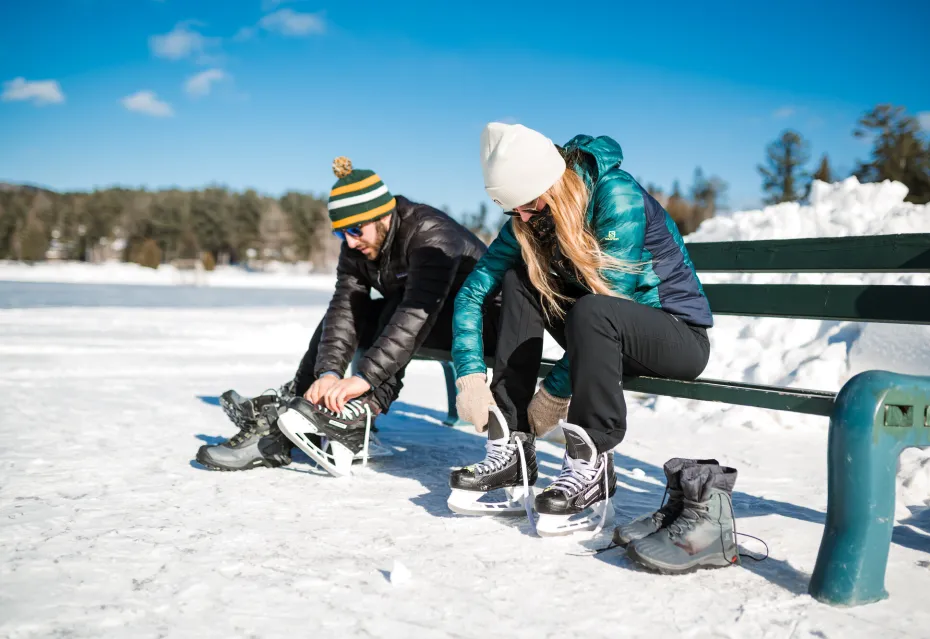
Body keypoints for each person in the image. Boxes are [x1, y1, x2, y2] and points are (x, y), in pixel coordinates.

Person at [448, 123, 714, 536]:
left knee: (593, 310)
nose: (523, 218)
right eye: (512, 209)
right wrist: (467, 376)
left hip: (675, 336)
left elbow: (614, 300)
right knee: (519, 281)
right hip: (602, 332)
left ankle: (591, 465)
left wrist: (554, 392)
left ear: (552, 185)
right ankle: (514, 446)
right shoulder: (529, 216)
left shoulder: (615, 194)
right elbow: (471, 295)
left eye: (531, 205)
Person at [197, 156, 493, 474]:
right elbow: (343, 309)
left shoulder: (430, 234)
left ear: (383, 215)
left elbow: (415, 312)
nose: (350, 242)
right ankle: (295, 408)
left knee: (395, 309)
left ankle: (359, 415)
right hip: (422, 319)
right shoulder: (356, 248)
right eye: (341, 234)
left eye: (355, 230)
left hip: (482, 327)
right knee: (353, 309)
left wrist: (363, 379)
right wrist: (328, 373)